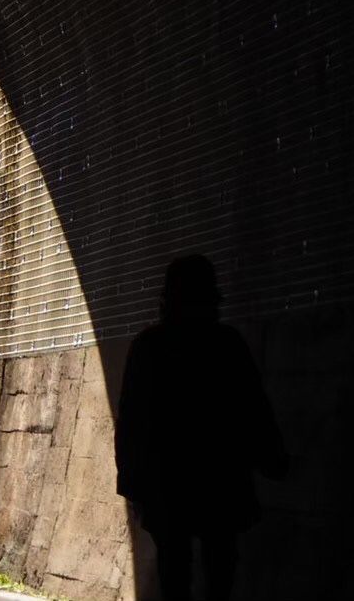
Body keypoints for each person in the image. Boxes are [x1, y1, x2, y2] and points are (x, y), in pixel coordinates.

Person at [116, 255, 287, 601]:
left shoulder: (150, 346)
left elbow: (131, 420)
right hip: (221, 478)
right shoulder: (226, 343)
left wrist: (132, 481)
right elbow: (253, 407)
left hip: (168, 481)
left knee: (174, 570)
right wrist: (272, 458)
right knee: (220, 567)